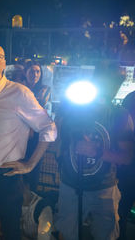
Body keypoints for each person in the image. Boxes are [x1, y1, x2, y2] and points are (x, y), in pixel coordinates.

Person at [0, 42, 57, 240]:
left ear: (4, 63)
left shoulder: (20, 93)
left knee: (10, 232)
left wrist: (31, 164)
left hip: (6, 177)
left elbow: (48, 128)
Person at [55, 64, 134, 240]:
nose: (109, 87)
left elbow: (127, 157)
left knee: (106, 234)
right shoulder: (74, 108)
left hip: (104, 189)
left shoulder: (119, 115)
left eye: (115, 83)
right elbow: (61, 138)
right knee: (67, 233)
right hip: (70, 185)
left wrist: (97, 152)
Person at [23, 60, 52, 191]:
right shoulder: (19, 88)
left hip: (36, 134)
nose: (35, 74)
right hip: (20, 133)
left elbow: (39, 109)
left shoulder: (44, 89)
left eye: (38, 71)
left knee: (35, 166)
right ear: (25, 72)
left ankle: (31, 197)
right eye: (32, 71)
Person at [118, 90, 135, 240]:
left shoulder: (130, 98)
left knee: (122, 211)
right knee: (122, 211)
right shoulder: (131, 98)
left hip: (128, 169)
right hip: (128, 169)